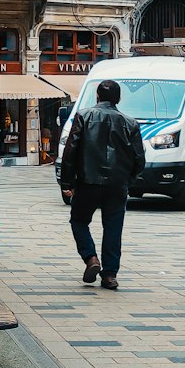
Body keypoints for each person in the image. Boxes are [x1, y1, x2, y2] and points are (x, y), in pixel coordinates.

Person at [59, 78, 146, 291]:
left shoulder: (84, 116)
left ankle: (90, 258)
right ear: (118, 98)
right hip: (117, 184)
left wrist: (67, 181)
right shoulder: (130, 123)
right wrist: (129, 179)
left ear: (97, 95)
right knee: (113, 228)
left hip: (88, 181)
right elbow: (139, 158)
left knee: (79, 220)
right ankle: (109, 275)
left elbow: (71, 151)